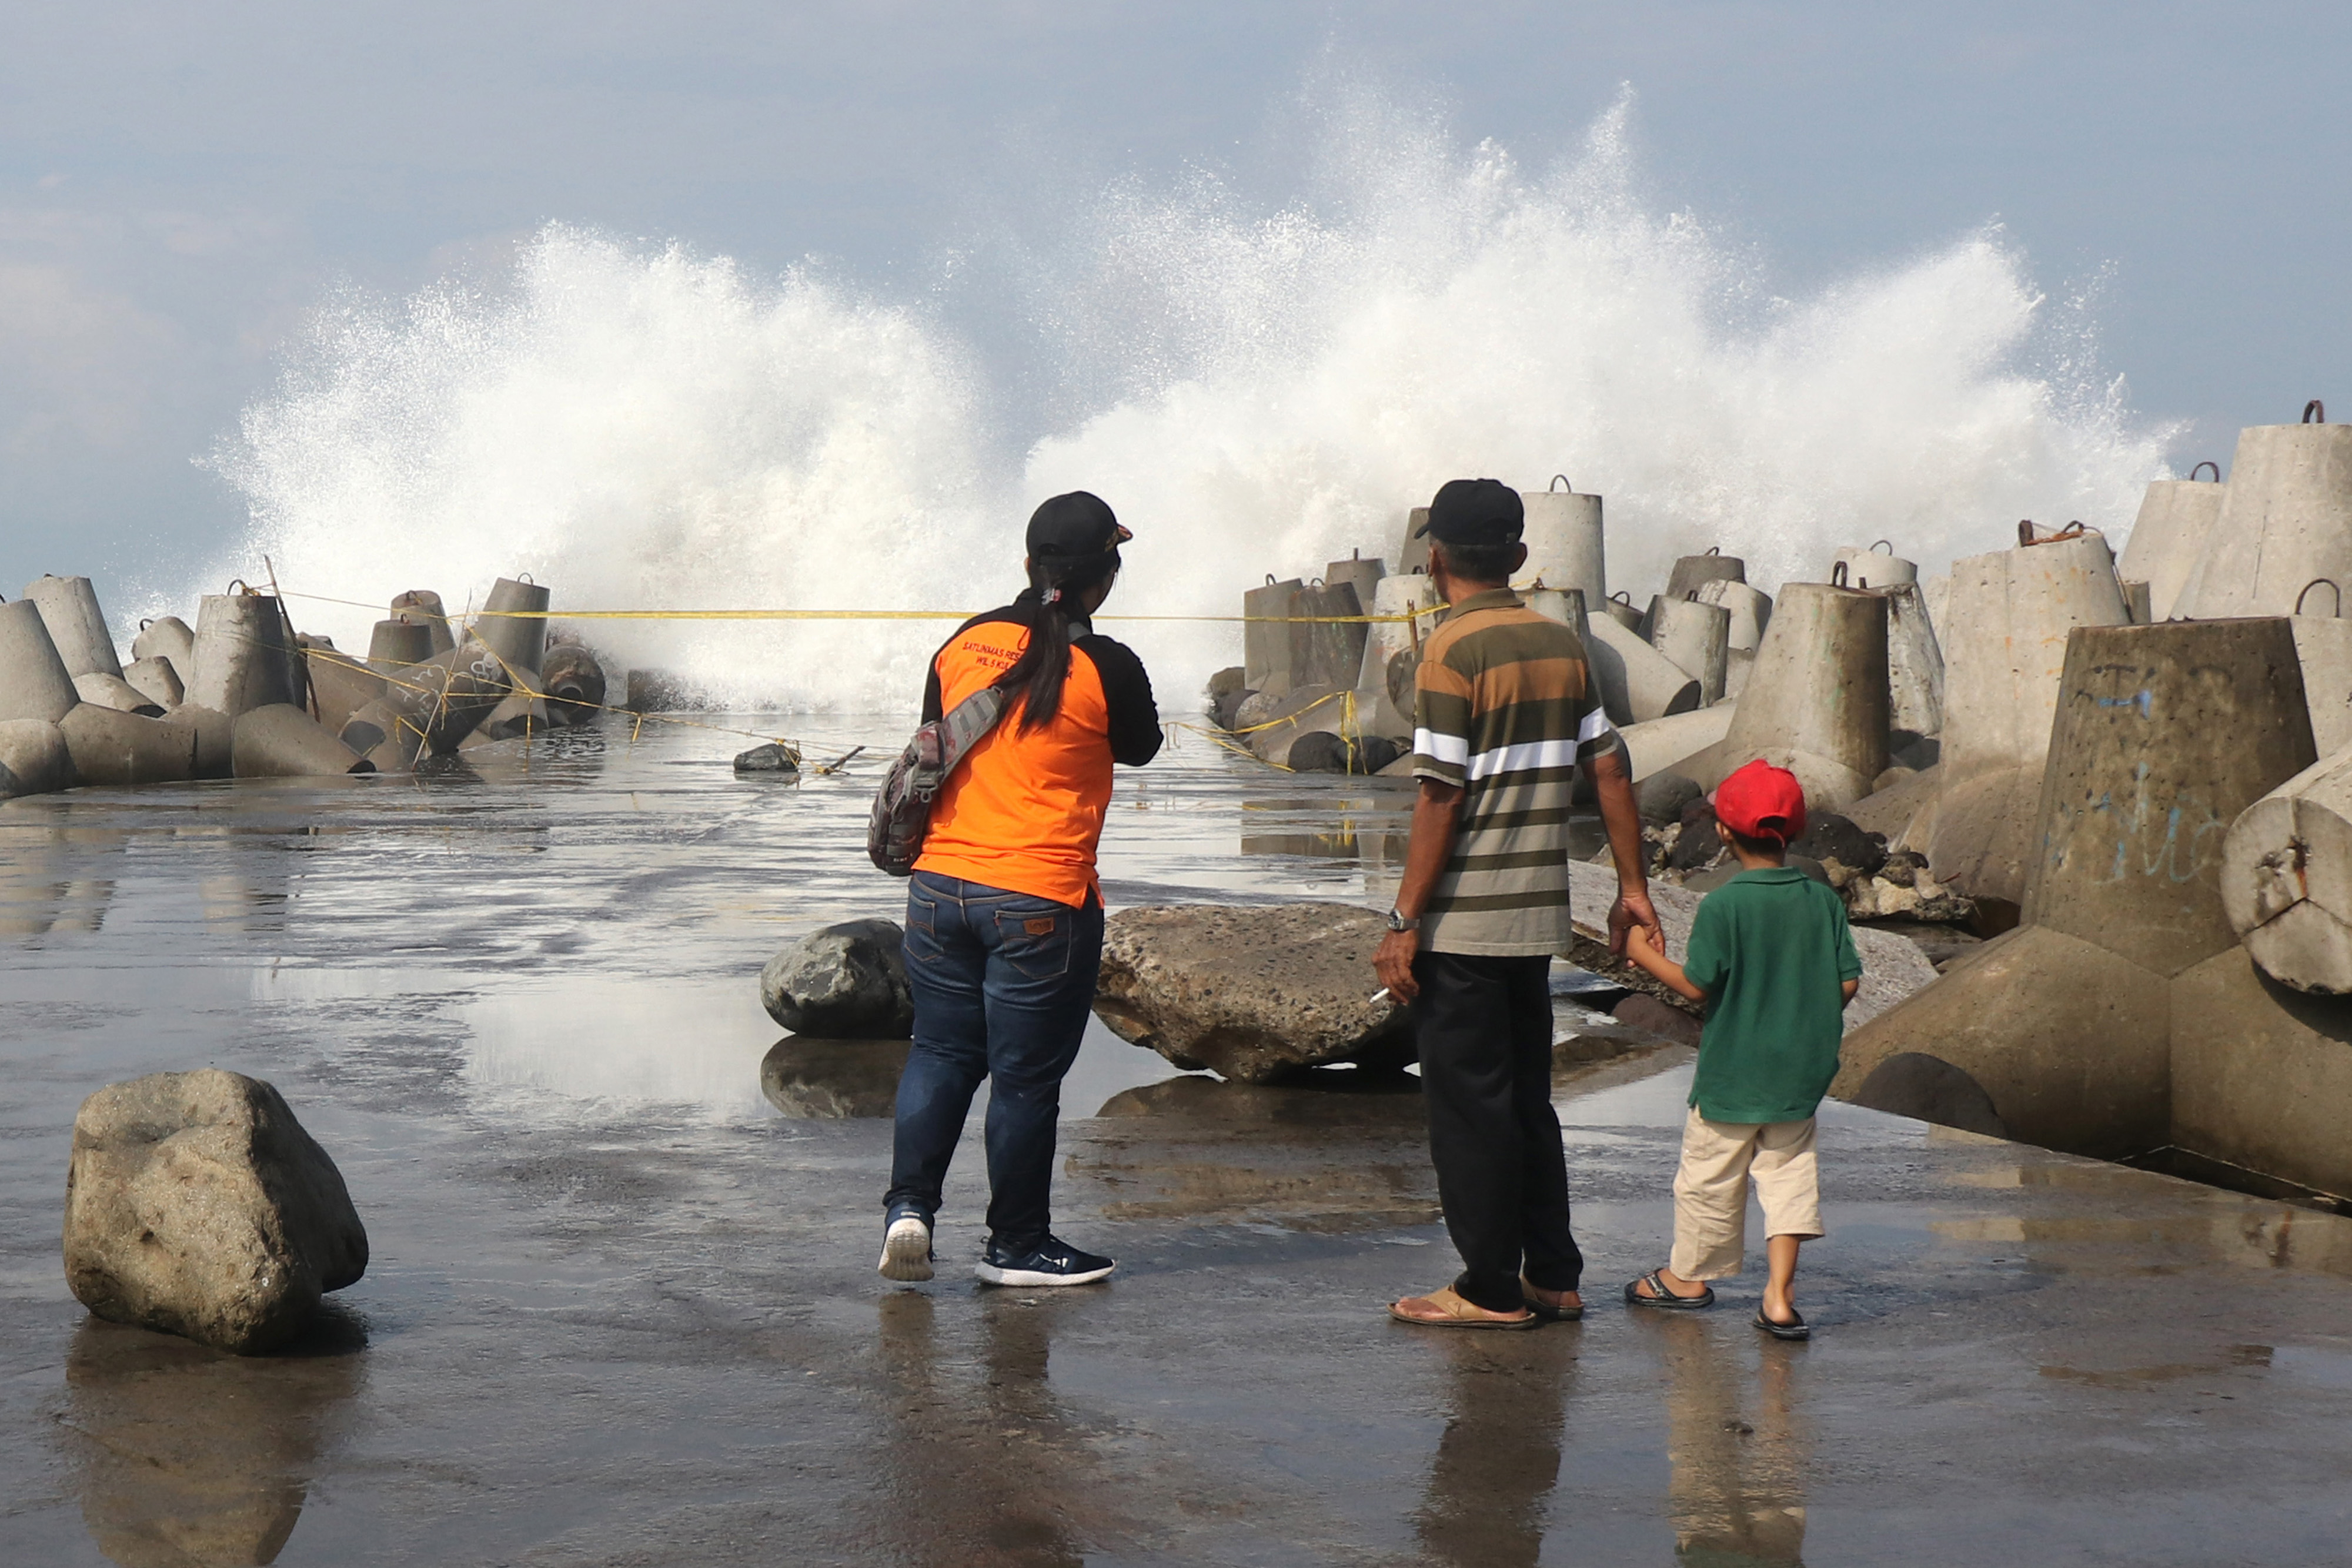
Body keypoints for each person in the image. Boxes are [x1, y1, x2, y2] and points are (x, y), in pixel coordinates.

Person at [1374, 477, 1663, 1330]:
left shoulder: (1447, 651)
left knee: (1470, 1110)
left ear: (1433, 560)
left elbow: (1439, 795)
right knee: (1527, 1100)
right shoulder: (1559, 643)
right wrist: (1633, 889)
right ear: (1520, 558)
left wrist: (1402, 920)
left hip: (1465, 920)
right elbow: (1610, 767)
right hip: (1535, 919)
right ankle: (1554, 1275)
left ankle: (1489, 1288)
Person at [879, 492, 1161, 1288]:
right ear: (1105, 574)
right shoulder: (1107, 666)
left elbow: (940, 731)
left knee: (938, 1050)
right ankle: (1017, 1243)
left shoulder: (965, 642)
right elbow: (1139, 748)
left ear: (1028, 564)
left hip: (939, 888)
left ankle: (909, 1209)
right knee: (1025, 1077)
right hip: (1041, 898)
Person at [1619, 759, 1862, 1340]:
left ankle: (1688, 1279)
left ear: (1723, 833)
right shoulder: (1821, 902)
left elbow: (1696, 985)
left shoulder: (1723, 905)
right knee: (1789, 1178)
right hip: (1796, 1077)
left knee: (1707, 1179)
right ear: (1795, 831)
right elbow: (1848, 982)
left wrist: (1639, 950)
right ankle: (1779, 1296)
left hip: (1732, 1074)